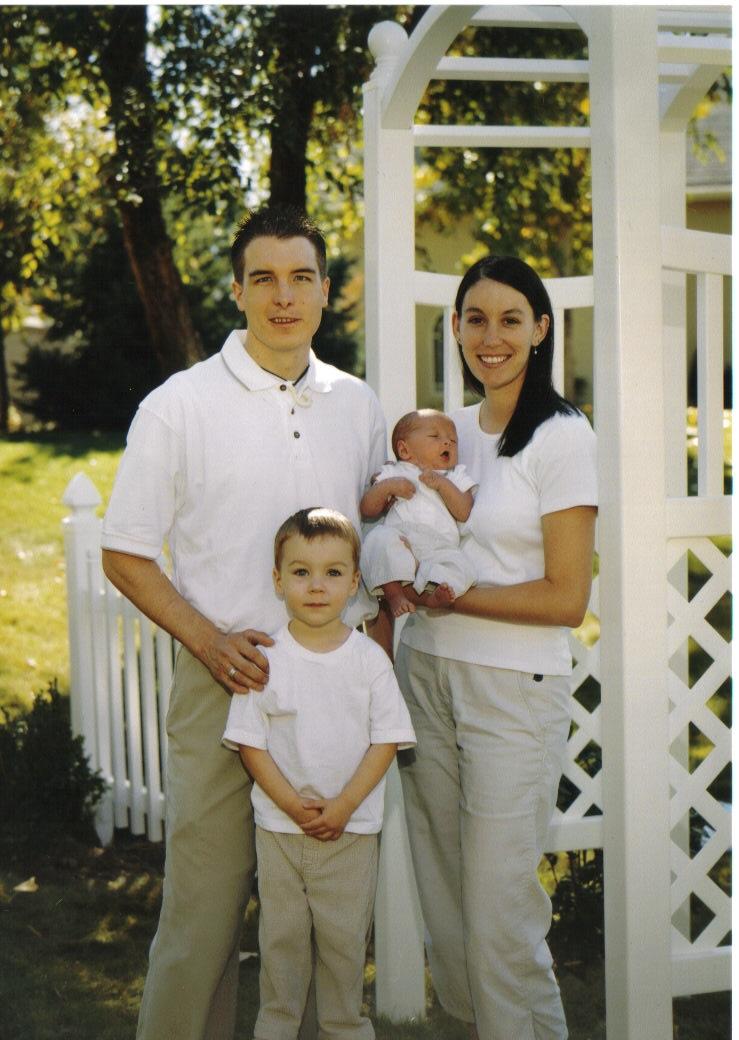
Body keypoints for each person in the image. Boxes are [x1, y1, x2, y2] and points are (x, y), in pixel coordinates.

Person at [100, 207, 387, 1040]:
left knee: (325, 919)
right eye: (263, 278)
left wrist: (374, 644)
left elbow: (372, 542)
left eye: (300, 277)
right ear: (236, 290)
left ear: (326, 291)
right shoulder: (179, 405)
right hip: (226, 681)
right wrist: (209, 642)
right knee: (205, 909)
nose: (282, 296)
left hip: (334, 690)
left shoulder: (356, 403)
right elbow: (124, 553)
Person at [395, 256, 598, 1040]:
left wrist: (451, 595)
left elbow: (565, 598)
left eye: (510, 319)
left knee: (497, 915)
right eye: (475, 319)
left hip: (513, 691)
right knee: (446, 909)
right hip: (426, 674)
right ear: (454, 328)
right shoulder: (444, 434)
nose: (491, 336)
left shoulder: (561, 436)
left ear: (541, 329)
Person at [223, 507, 416, 1040]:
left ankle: (345, 1028)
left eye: (333, 572)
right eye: (301, 571)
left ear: (354, 582)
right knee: (281, 947)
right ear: (278, 579)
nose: (316, 586)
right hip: (281, 832)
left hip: (350, 834)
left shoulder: (369, 661)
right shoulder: (267, 659)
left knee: (343, 950)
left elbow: (387, 739)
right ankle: (277, 1028)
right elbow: (250, 743)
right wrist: (290, 804)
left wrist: (345, 806)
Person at [359, 409, 477, 617]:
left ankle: (431, 597)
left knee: (464, 570)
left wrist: (442, 484)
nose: (447, 442)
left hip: (439, 546)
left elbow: (465, 512)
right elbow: (367, 508)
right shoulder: (394, 471)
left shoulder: (454, 475)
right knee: (377, 539)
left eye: (452, 440)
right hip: (401, 539)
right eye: (435, 436)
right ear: (404, 450)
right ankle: (395, 595)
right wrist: (388, 487)